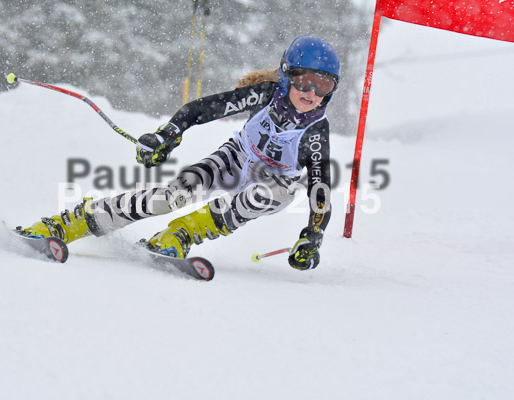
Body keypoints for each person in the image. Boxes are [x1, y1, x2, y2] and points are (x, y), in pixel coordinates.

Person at [20, 35, 340, 271]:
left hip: (274, 181)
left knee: (270, 195)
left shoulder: (315, 131)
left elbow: (319, 188)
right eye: (304, 82)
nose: (311, 94)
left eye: (323, 86)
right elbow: (202, 109)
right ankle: (67, 223)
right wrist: (167, 135)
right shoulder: (264, 96)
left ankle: (180, 235)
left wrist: (313, 236)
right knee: (172, 197)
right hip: (235, 158)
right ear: (286, 75)